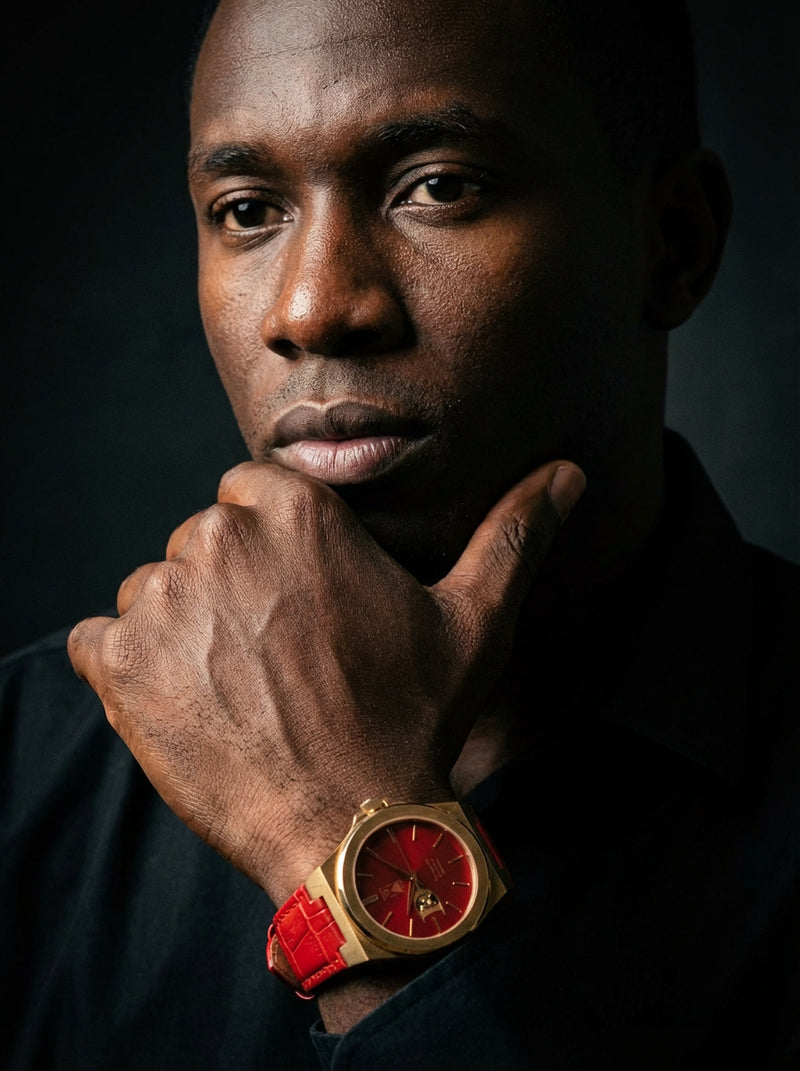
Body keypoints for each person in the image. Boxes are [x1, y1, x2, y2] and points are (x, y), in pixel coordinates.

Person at [2, 0, 798, 1068]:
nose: (311, 308)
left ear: (672, 243)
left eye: (439, 187)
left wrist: (346, 845)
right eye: (247, 209)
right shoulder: (21, 768)